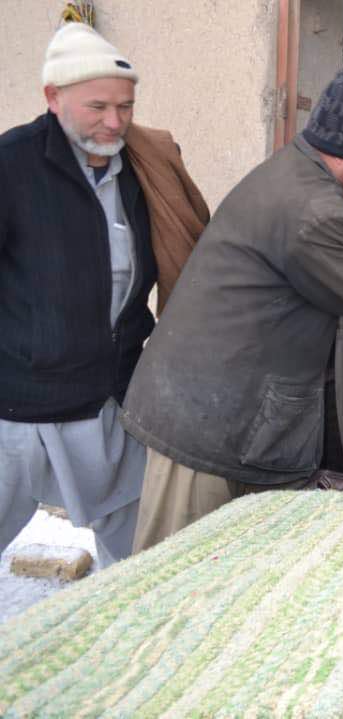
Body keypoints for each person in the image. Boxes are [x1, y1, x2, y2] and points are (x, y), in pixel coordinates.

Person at [121, 69, 343, 552]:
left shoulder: (291, 171)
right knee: (171, 573)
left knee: (223, 567)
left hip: (215, 404)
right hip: (208, 423)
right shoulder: (315, 209)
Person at [0, 21, 207, 567]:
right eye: (97, 107)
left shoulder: (141, 168)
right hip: (22, 405)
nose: (114, 122)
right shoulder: (13, 166)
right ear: (53, 98)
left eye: (126, 107)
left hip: (112, 394)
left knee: (138, 541)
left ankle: (135, 636)